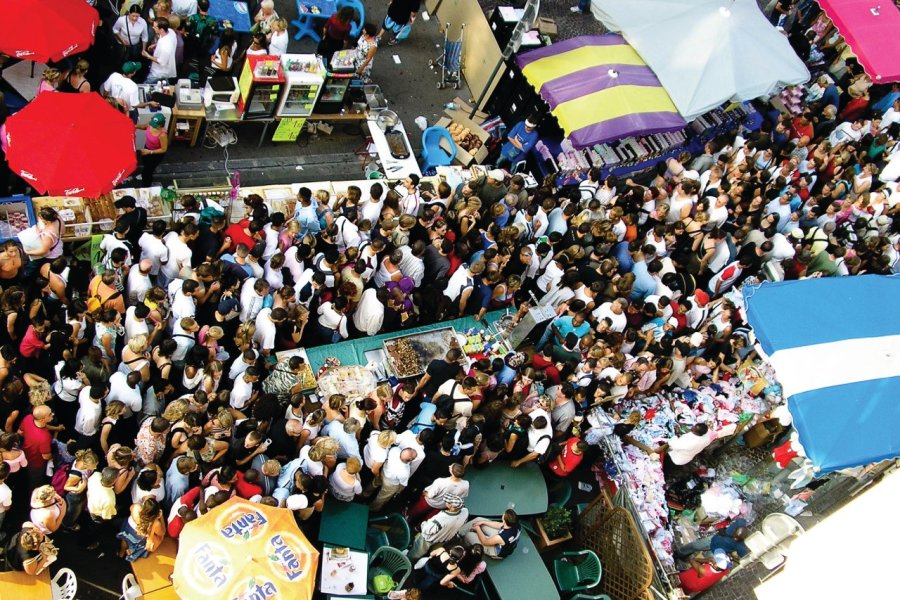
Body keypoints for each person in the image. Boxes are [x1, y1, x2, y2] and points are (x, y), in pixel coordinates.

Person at [136, 113, 169, 187]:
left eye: (155, 125)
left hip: (155, 154)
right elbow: (144, 126)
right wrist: (135, 126)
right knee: (145, 164)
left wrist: (150, 152)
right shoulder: (151, 124)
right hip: (147, 148)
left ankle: (146, 185)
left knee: (148, 171)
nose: (152, 126)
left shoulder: (162, 134)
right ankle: (144, 175)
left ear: (160, 125)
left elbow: (164, 149)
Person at [144, 18, 178, 84]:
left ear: (161, 29)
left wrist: (148, 56)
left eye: (155, 27)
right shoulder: (170, 31)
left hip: (158, 72)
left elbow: (161, 61)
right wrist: (155, 45)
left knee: (146, 85)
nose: (153, 28)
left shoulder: (166, 45)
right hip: (165, 70)